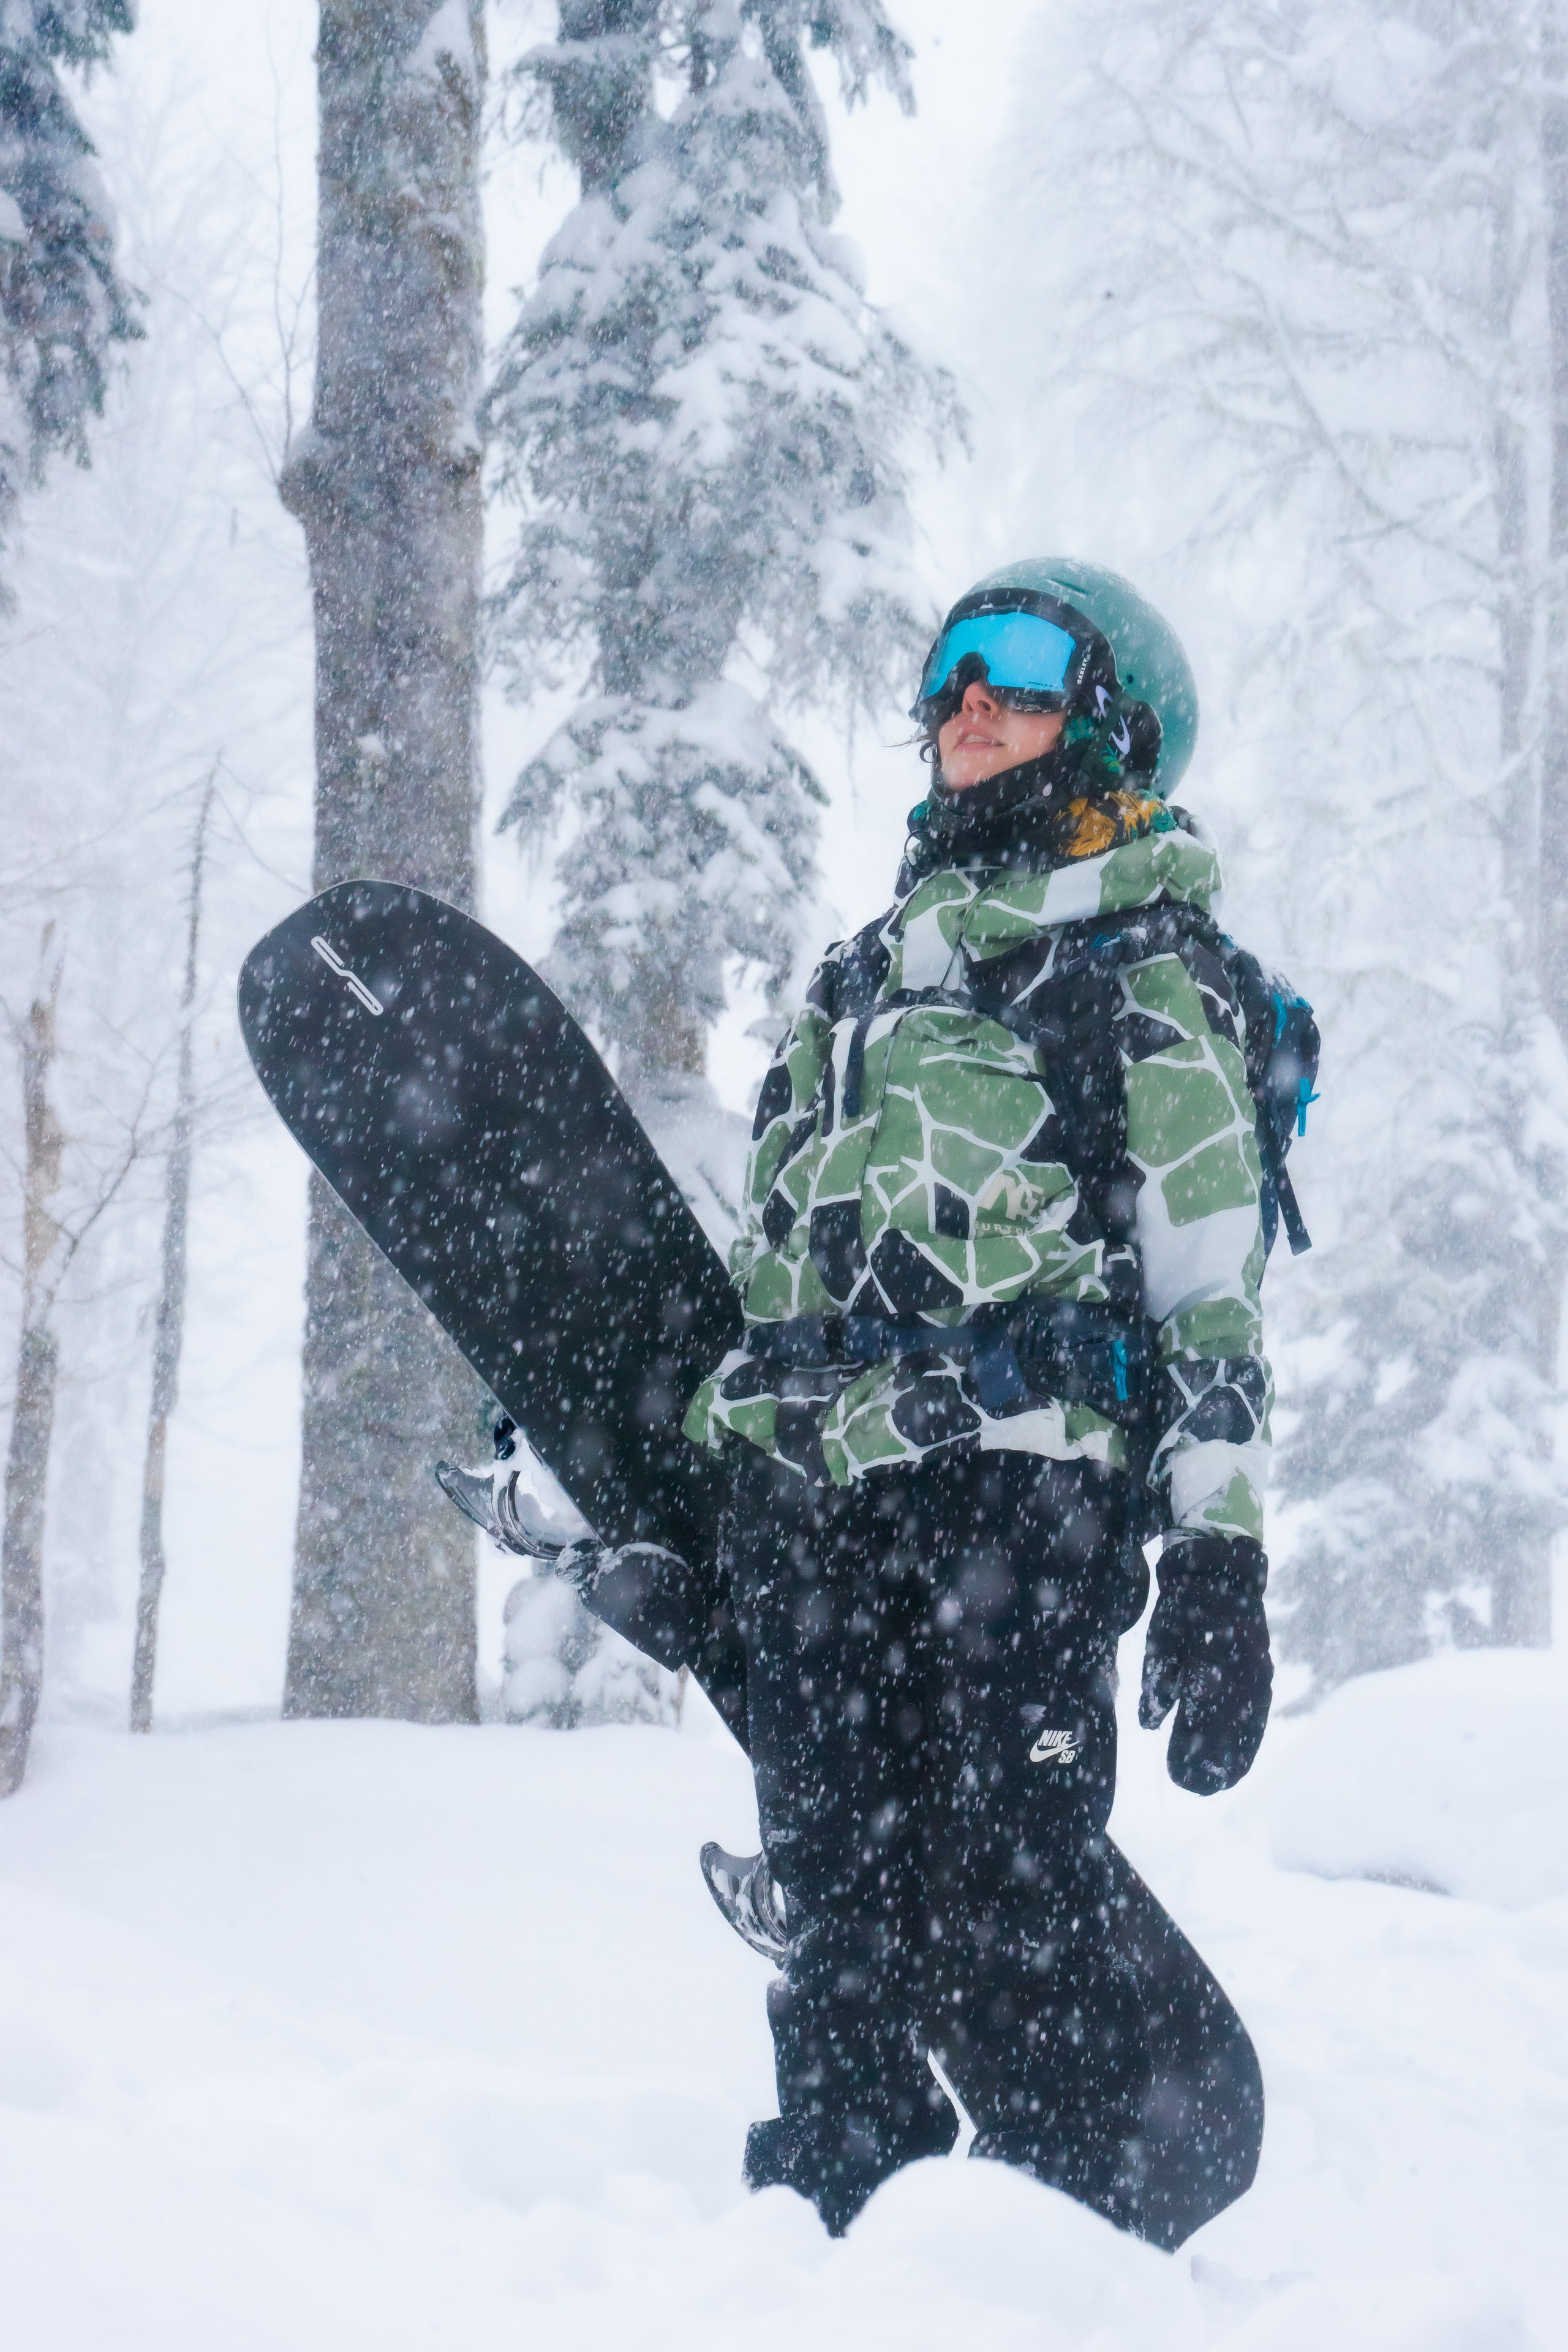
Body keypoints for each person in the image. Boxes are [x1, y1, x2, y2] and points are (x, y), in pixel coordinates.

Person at [444, 559, 1276, 2241]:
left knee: (1004, 1891)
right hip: (814, 1516)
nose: (970, 701)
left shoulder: (1146, 972)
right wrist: (611, 1425)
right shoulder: (857, 985)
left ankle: (1038, 2269)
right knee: (833, 1908)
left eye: (1022, 673)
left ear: (1104, 723)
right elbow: (784, 1271)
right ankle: (835, 2229)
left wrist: (1220, 1561)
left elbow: (1209, 1297)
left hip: (1016, 1503)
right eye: (951, 673)